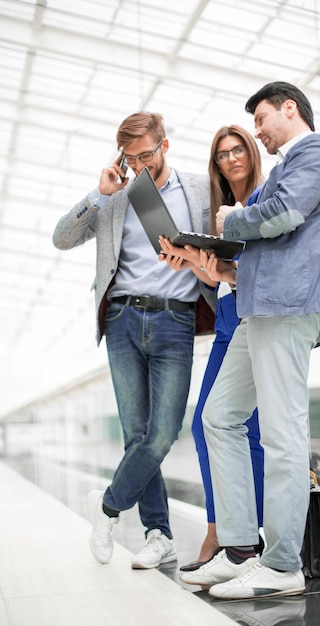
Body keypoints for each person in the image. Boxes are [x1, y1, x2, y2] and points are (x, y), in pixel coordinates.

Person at [181, 81, 320, 598]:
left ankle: (283, 565)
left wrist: (235, 218)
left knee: (281, 433)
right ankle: (238, 551)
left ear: (289, 109)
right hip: (259, 308)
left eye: (261, 119)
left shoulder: (315, 152)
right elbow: (271, 237)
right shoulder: (286, 166)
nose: (257, 131)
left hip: (288, 304)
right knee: (218, 417)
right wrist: (208, 260)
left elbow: (285, 216)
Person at [52, 112, 211, 569]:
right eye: (131, 157)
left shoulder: (199, 189)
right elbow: (62, 239)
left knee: (162, 433)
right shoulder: (115, 193)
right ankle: (158, 533)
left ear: (166, 145)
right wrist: (98, 194)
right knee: (134, 434)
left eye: (147, 155)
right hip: (122, 317)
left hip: (176, 320)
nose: (140, 165)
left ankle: (107, 507)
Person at [158, 125, 265, 572]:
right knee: (211, 426)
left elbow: (258, 269)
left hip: (254, 316)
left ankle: (243, 535)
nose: (232, 158)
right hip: (226, 318)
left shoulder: (265, 199)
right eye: (223, 153)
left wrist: (220, 271)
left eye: (239, 149)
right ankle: (225, 530)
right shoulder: (218, 212)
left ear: (251, 153)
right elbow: (217, 278)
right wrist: (193, 264)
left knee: (243, 430)